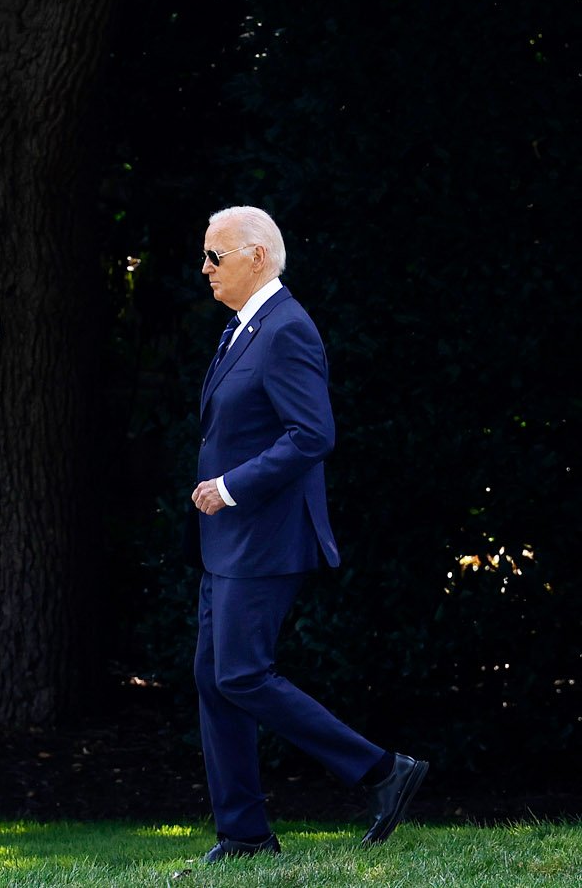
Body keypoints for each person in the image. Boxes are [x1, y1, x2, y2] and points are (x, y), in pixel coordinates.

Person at [187, 205, 427, 864]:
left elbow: (313, 434)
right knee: (215, 677)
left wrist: (231, 485)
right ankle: (244, 833)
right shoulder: (243, 328)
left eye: (216, 255)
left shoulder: (286, 328)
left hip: (265, 536)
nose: (204, 267)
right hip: (231, 540)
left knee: (239, 671)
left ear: (257, 256)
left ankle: (382, 770)